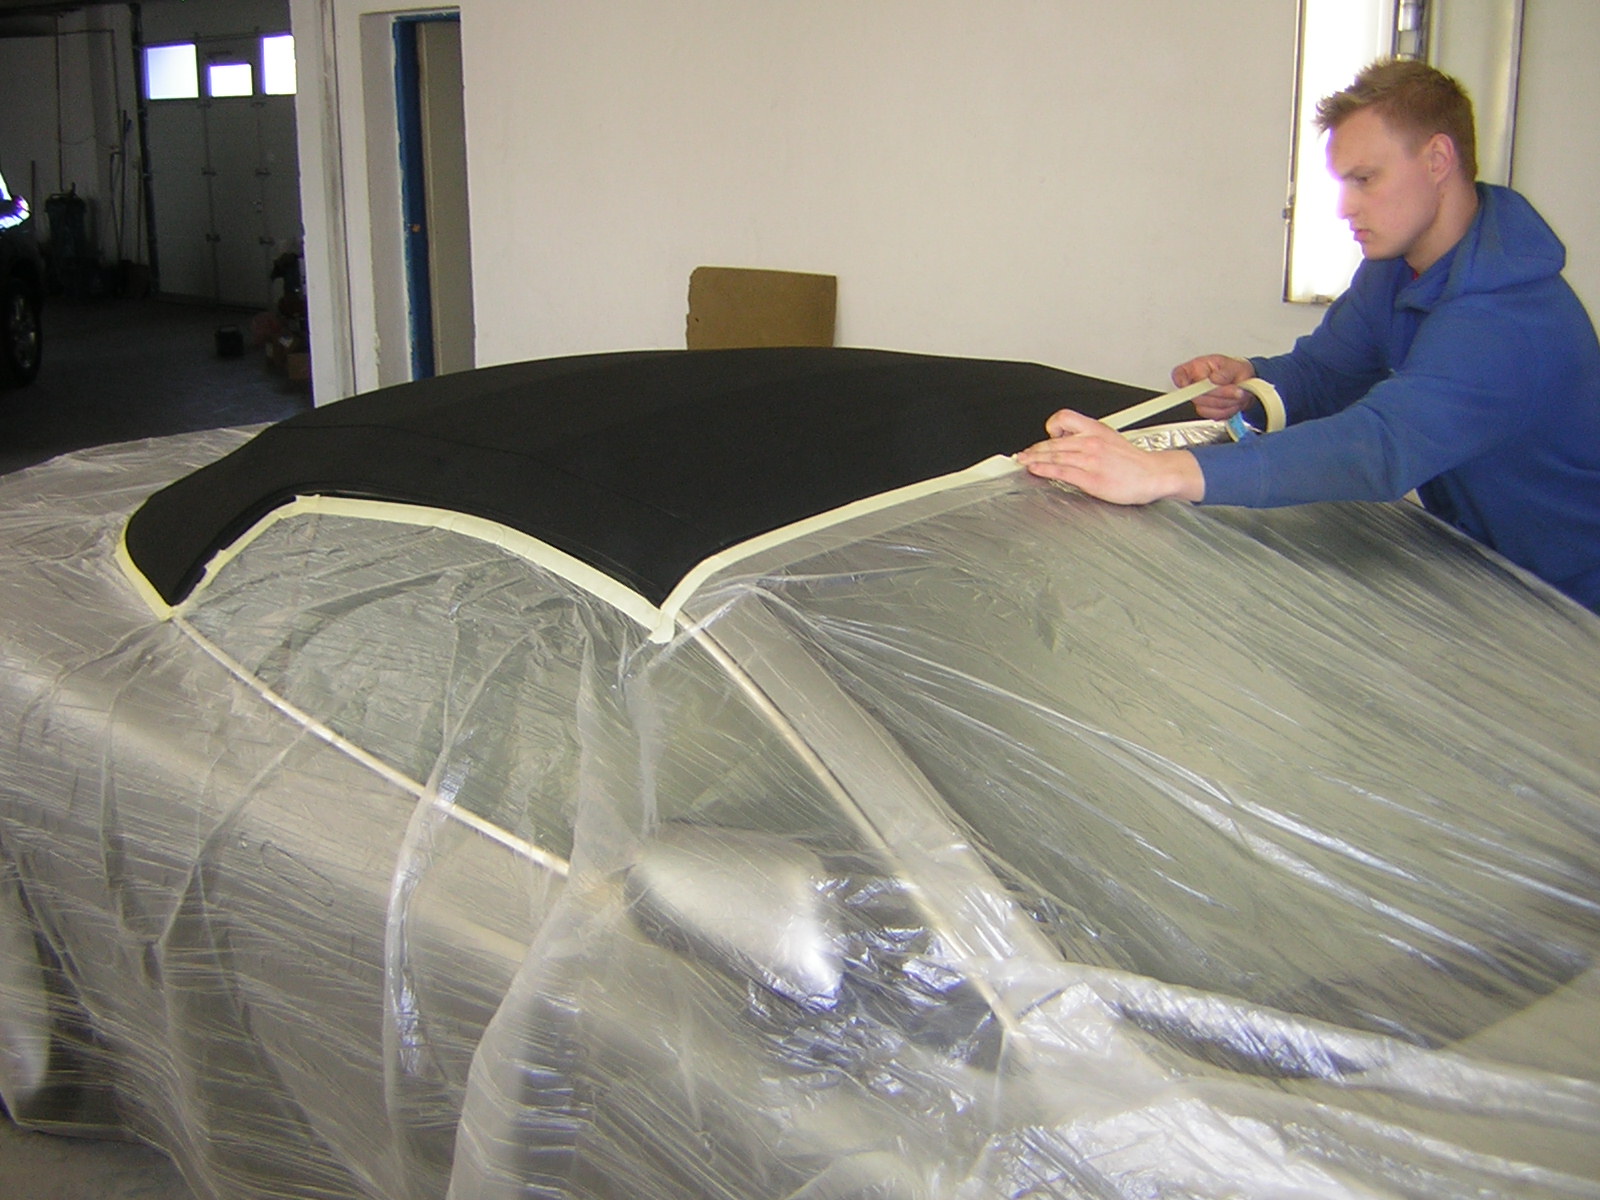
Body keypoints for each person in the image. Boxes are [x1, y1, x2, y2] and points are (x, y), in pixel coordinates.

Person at [1017, 59, 1600, 612]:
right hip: (1484, 575)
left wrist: (1160, 472)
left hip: (1572, 608)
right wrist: (1250, 385)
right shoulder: (1397, 270)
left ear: (1438, 160)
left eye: (1365, 179)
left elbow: (1380, 448)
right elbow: (1326, 372)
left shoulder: (1507, 317)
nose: (1346, 207)